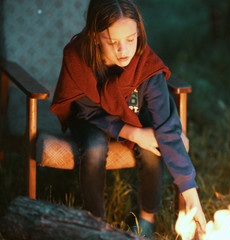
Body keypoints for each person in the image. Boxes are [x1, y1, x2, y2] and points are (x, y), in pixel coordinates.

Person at [50, 0, 206, 237]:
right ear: (95, 37)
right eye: (113, 43)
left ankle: (146, 218)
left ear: (139, 34)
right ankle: (94, 222)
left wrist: (191, 194)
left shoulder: (146, 66)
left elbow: (167, 128)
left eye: (130, 39)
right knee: (93, 148)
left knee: (152, 145)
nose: (123, 50)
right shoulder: (78, 57)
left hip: (132, 113)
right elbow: (85, 112)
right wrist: (132, 133)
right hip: (91, 118)